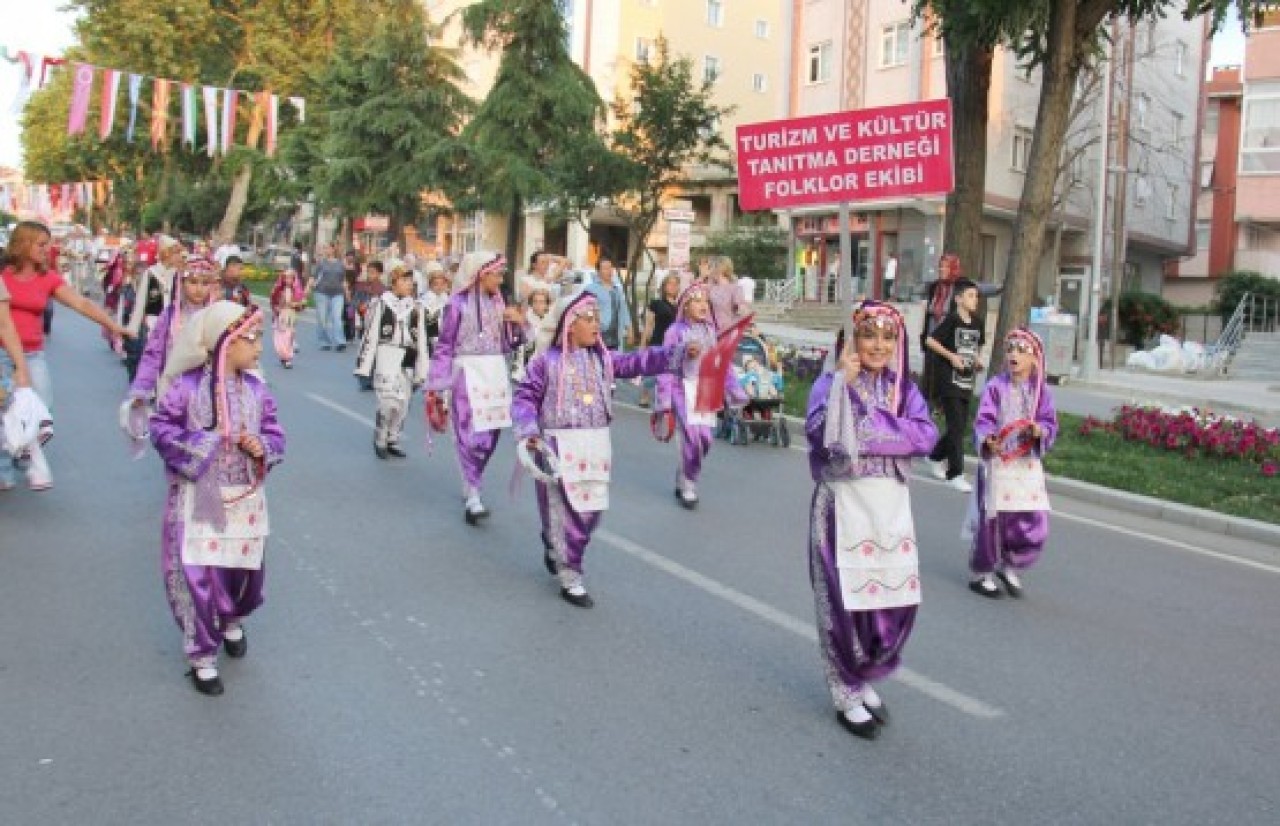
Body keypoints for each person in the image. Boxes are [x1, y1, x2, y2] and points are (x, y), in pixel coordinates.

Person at [804, 301, 937, 740]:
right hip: (842, 509)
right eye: (868, 334)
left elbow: (925, 435)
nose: (878, 344)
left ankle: (863, 673)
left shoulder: (904, 391)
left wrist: (870, 429)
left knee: (892, 605)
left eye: (887, 336)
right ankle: (846, 689)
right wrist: (843, 386)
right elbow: (825, 437)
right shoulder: (831, 383)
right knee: (844, 606)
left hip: (890, 512)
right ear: (852, 339)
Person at [150, 301, 285, 696]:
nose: (259, 346)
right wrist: (204, 443)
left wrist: (260, 446)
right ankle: (201, 655)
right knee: (201, 573)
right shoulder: (187, 387)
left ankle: (231, 619)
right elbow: (161, 429)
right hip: (199, 495)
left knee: (245, 572)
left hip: (245, 497)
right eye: (251, 338)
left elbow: (277, 434)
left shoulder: (257, 390)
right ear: (226, 342)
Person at [513, 290, 681, 608]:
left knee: (591, 513)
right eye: (588, 319)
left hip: (596, 446)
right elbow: (524, 398)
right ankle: (570, 576)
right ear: (569, 324)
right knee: (567, 511)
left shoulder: (603, 359)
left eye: (597, 319)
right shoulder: (546, 363)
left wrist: (677, 354)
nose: (595, 325)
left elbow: (636, 361)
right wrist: (528, 431)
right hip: (558, 447)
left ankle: (555, 544)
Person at [1, 221, 130, 491]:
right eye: (41, 244)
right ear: (23, 244)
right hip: (2, 352)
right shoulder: (3, 276)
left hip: (33, 353)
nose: (47, 250)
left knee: (41, 409)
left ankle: (21, 456)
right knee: (4, 410)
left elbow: (80, 302)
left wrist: (112, 325)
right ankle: (5, 468)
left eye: (48, 244)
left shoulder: (48, 279)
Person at [426, 251, 527, 524]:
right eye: (497, 273)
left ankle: (472, 478)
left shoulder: (498, 302)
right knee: (469, 434)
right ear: (482, 273)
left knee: (489, 436)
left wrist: (516, 325)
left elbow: (509, 344)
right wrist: (436, 383)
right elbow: (445, 344)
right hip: (467, 373)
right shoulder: (456, 304)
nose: (501, 278)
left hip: (494, 372)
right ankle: (473, 494)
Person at [967, 328, 1059, 598]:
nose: (1013, 355)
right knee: (995, 519)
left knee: (1033, 516)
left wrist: (1040, 431)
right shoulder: (996, 386)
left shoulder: (1041, 391)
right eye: (1010, 350)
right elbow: (983, 421)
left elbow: (1049, 421)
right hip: (999, 463)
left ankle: (1011, 565)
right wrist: (987, 440)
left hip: (1026, 464)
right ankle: (983, 573)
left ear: (1035, 359)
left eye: (1021, 350)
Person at [655, 281, 746, 509]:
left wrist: (734, 389)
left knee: (705, 440)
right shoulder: (674, 332)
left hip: (705, 390)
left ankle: (684, 471)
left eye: (705, 301)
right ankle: (688, 485)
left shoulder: (710, 331)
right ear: (685, 306)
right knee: (691, 439)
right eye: (697, 301)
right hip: (681, 388)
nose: (702, 305)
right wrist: (665, 399)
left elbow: (720, 363)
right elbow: (665, 364)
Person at [354, 267, 428, 459]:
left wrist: (423, 369)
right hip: (387, 353)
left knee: (403, 403)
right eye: (404, 281)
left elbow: (421, 340)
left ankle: (393, 438)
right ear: (394, 282)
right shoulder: (381, 304)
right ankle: (380, 438)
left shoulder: (416, 308)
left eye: (411, 281)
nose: (409, 285)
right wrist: (364, 364)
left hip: (408, 356)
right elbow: (370, 334)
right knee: (387, 401)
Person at [124, 257, 218, 407]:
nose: (199, 289)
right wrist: (142, 389)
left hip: (207, 395)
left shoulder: (218, 317)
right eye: (193, 282)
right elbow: (153, 353)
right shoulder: (169, 316)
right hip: (173, 390)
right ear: (181, 283)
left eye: (205, 283)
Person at [925, 278, 984, 493]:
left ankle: (934, 456)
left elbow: (978, 346)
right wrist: (951, 357)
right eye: (970, 295)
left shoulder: (978, 322)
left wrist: (977, 361)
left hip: (966, 381)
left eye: (976, 296)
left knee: (958, 427)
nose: (975, 300)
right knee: (957, 427)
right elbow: (931, 341)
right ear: (958, 299)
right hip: (949, 380)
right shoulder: (951, 320)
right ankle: (955, 473)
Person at [123, 236, 183, 381]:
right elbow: (141, 302)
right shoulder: (151, 273)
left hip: (174, 321)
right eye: (175, 253)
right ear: (166, 253)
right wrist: (133, 328)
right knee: (153, 353)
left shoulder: (178, 274)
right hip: (154, 320)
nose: (179, 257)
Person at [638, 272, 681, 408]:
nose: (673, 287)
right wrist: (643, 344)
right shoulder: (656, 303)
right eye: (670, 284)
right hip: (658, 340)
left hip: (674, 344)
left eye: (676, 284)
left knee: (669, 372)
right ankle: (645, 396)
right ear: (664, 287)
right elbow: (649, 324)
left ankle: (666, 397)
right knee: (652, 370)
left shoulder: (681, 306)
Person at [582, 256, 631, 350]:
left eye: (610, 267)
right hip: (599, 333)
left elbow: (624, 309)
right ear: (598, 271)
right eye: (605, 268)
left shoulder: (618, 288)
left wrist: (629, 328)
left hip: (616, 334)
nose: (609, 271)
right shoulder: (590, 289)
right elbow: (586, 310)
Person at [311, 244, 349, 352]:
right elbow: (313, 277)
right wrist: (307, 289)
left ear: (333, 249)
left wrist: (347, 294)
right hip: (322, 293)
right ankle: (324, 342)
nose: (326, 250)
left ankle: (340, 342)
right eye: (324, 248)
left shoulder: (341, 263)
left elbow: (344, 280)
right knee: (322, 320)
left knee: (337, 318)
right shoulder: (321, 263)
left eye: (328, 248)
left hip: (338, 294)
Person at [269, 267, 306, 369]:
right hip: (280, 316)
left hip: (291, 316)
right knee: (280, 337)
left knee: (289, 336)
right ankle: (283, 355)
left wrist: (296, 304)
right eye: (286, 278)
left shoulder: (297, 291)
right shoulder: (278, 290)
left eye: (291, 278)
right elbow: (273, 302)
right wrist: (277, 308)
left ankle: (288, 358)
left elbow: (302, 304)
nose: (288, 280)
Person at [707, 256, 745, 331]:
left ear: (719, 269)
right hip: (708, 331)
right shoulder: (708, 287)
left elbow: (742, 309)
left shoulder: (735, 288)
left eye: (710, 267)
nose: (709, 271)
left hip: (725, 331)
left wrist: (752, 326)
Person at [420, 262, 451, 352]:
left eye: (442, 284)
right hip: (429, 342)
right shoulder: (424, 302)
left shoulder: (447, 301)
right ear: (430, 285)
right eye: (436, 284)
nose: (439, 287)